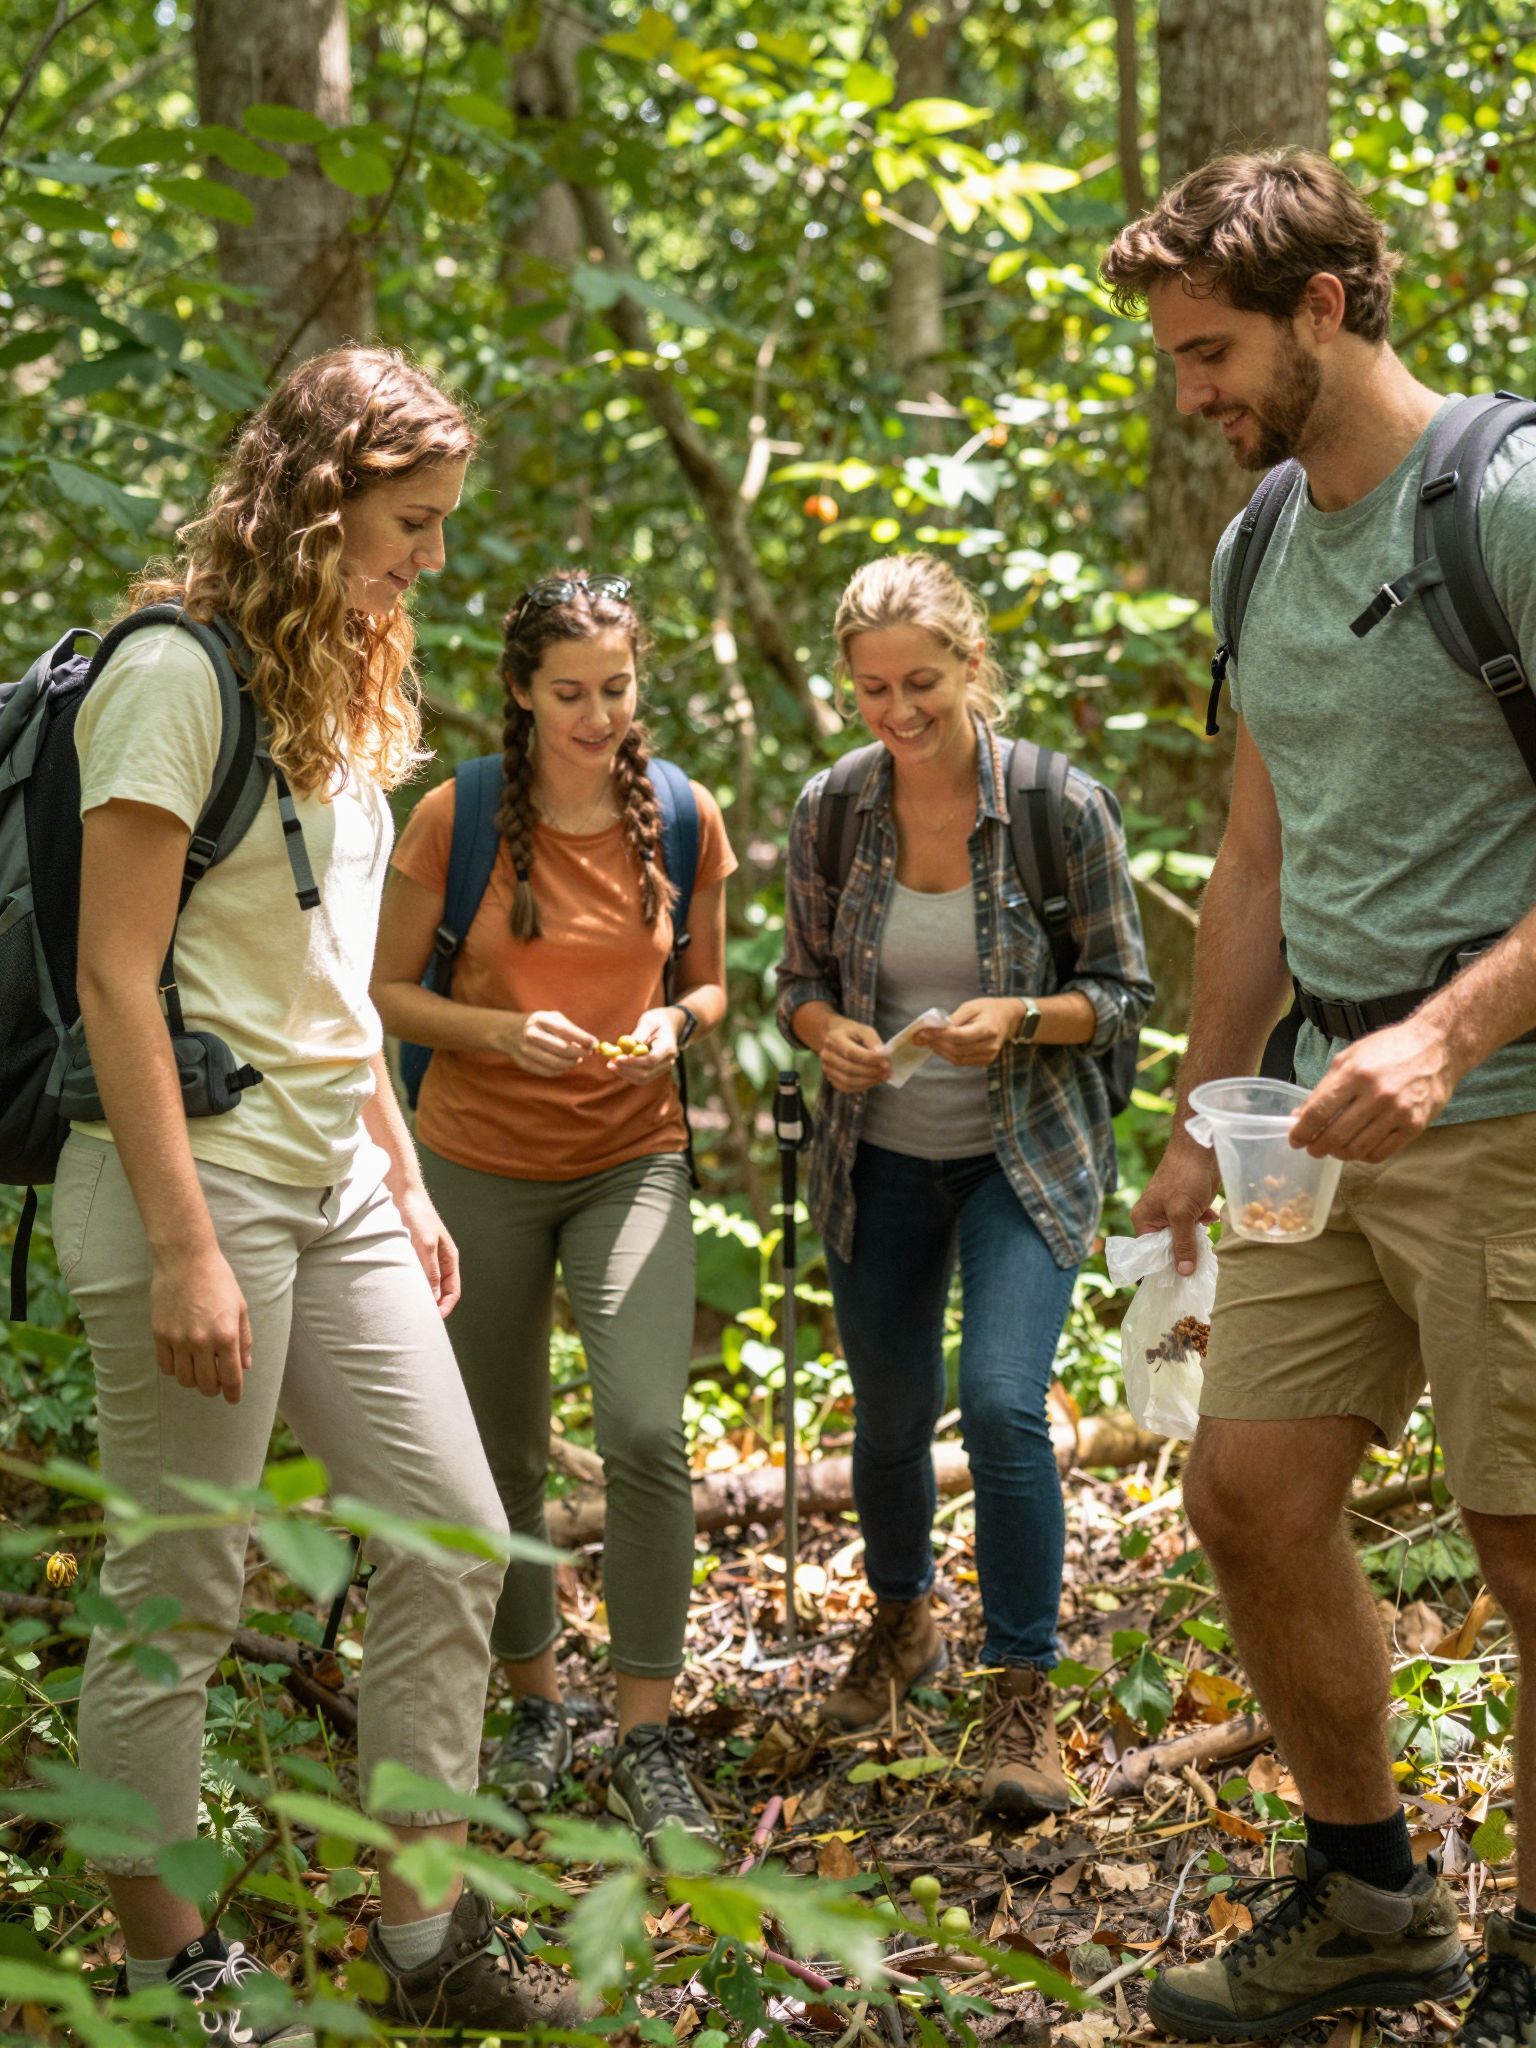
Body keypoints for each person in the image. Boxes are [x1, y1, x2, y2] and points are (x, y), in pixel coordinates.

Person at [57, 347, 580, 2041]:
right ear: (319, 496)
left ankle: (424, 1940)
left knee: (452, 1537)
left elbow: (328, 984)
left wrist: (404, 1172)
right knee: (183, 1586)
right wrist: (189, 1251)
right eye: (411, 523)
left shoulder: (344, 676)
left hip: (339, 1183)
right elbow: (115, 979)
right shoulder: (168, 673)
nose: (432, 560)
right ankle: (168, 1963)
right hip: (188, 1189)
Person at [1102, 150, 1536, 2046]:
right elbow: (1257, 847)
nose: (1191, 394)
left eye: (1210, 353)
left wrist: (1442, 1033)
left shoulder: (1504, 503)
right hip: (1309, 1119)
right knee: (1249, 1492)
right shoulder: (1258, 540)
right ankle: (1371, 1898)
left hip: (1509, 1100)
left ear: (1328, 309)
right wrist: (1202, 1116)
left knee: (1526, 1544)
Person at [775, 553, 1152, 1818]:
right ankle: (903, 1623)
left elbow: (1121, 998)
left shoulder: (1057, 804)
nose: (897, 710)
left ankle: (1021, 1689)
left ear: (970, 665)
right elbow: (797, 978)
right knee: (888, 1418)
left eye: (921, 682)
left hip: (1021, 1152)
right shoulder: (832, 808)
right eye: (873, 688)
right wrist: (826, 1029)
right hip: (873, 1153)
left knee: (998, 1403)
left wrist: (1022, 1018)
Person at [371, 571, 736, 1851]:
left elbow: (710, 990)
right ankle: (534, 1705)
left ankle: (646, 1726)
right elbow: (382, 996)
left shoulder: (682, 813)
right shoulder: (453, 818)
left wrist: (667, 1023)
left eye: (617, 690)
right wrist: (493, 1032)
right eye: (570, 692)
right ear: (522, 689)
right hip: (475, 1160)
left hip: (632, 1152)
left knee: (643, 1426)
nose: (597, 716)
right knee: (501, 1456)